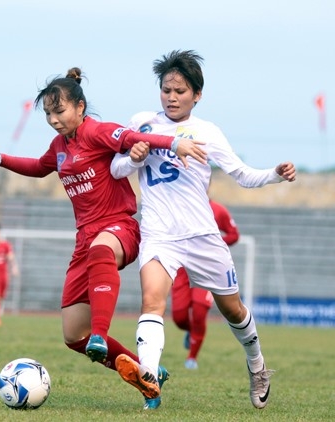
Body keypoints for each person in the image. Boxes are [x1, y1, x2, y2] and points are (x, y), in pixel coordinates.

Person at [0, 67, 207, 408]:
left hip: (119, 228)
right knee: (72, 335)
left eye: (59, 111)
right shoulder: (59, 145)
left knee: (100, 256)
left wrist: (175, 142)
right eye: (49, 114)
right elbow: (39, 166)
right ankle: (146, 376)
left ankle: (101, 333)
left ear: (80, 107)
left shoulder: (98, 131)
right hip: (85, 238)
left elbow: (135, 139)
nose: (53, 119)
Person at [110, 50, 296, 409]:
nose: (172, 97)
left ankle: (256, 365)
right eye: (166, 89)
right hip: (158, 233)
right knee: (152, 301)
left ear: (197, 94)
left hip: (201, 236)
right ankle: (148, 377)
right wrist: (130, 158)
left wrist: (274, 173)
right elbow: (116, 171)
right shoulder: (141, 123)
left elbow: (242, 174)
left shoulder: (207, 131)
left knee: (233, 311)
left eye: (180, 91)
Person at [173, 198, 240, 370]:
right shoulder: (179, 205)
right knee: (179, 316)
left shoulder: (218, 210)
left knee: (199, 310)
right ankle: (191, 331)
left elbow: (234, 234)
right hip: (183, 268)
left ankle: (192, 358)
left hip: (207, 266)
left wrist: (213, 246)